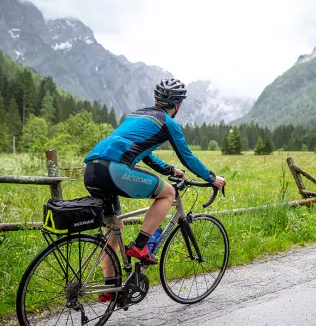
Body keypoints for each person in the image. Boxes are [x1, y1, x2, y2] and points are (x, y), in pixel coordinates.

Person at [83, 78, 226, 301]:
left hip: (92, 170)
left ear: (155, 99)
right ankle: (141, 246)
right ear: (178, 105)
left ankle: (111, 289)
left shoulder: (137, 114)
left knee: (114, 228)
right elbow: (187, 157)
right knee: (168, 193)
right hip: (113, 169)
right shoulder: (168, 123)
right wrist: (211, 178)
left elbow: (145, 154)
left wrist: (169, 169)